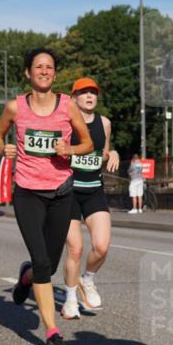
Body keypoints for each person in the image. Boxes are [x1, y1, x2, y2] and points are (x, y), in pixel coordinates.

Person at [0, 48, 93, 345]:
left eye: (49, 67)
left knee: (45, 261)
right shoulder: (15, 107)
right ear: (28, 73)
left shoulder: (68, 107)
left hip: (62, 192)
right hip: (28, 193)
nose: (44, 71)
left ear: (55, 74)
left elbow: (88, 142)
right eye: (38, 67)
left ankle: (26, 277)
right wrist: (2, 148)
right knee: (44, 263)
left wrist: (70, 149)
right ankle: (52, 334)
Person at [61, 77, 120, 319]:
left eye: (93, 93)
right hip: (70, 191)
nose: (89, 96)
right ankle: (70, 300)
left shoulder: (104, 123)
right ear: (74, 97)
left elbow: (103, 153)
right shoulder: (65, 123)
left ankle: (88, 278)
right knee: (75, 248)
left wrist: (112, 153)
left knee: (102, 246)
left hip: (94, 189)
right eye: (84, 92)